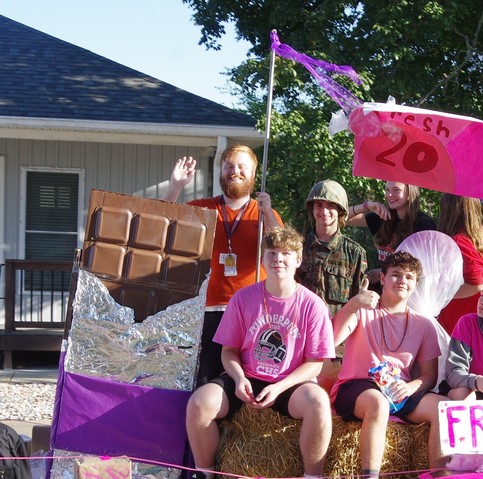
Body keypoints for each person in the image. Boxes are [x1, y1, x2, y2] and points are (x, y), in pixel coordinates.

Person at [181, 227, 335, 479]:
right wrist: (239, 379)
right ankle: (204, 477)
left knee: (319, 402)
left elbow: (315, 363)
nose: (278, 259)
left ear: (298, 259)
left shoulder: (313, 305)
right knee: (199, 402)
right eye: (272, 253)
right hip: (247, 376)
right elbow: (228, 351)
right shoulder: (243, 298)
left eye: (286, 254)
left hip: (289, 382)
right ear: (263, 259)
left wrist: (279, 387)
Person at [163, 148, 284, 382]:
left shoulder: (264, 214)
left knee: (246, 380)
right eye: (228, 166)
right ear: (220, 171)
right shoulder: (204, 208)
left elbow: (281, 248)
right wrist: (176, 186)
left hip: (250, 311)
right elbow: (162, 219)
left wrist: (267, 213)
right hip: (208, 311)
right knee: (205, 380)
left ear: (253, 173)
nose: (234, 171)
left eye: (241, 167)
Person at [330, 251, 446, 479]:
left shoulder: (424, 325)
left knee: (443, 409)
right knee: (378, 404)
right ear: (382, 278)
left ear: (415, 284)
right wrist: (353, 304)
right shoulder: (363, 310)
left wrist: (411, 386)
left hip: (399, 390)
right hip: (358, 386)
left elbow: (429, 376)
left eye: (408, 277)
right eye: (395, 275)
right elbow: (331, 340)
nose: (402, 281)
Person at [296, 180, 368, 317]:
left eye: (330, 206)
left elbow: (358, 304)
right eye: (319, 205)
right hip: (300, 329)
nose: (324, 211)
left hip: (336, 333)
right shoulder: (297, 247)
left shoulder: (355, 253)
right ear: (312, 209)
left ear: (340, 210)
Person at [347, 181, 436, 283]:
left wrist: (382, 272)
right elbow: (341, 218)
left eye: (396, 190)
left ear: (410, 193)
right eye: (387, 190)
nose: (389, 194)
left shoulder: (424, 223)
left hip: (406, 292)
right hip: (382, 291)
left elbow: (425, 268)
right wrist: (366, 206)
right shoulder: (383, 216)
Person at [435, 194, 483, 334]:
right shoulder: (482, 237)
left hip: (458, 317)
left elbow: (476, 284)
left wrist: (440, 295)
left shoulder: (459, 241)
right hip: (476, 315)